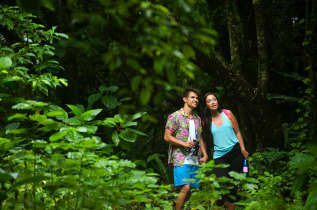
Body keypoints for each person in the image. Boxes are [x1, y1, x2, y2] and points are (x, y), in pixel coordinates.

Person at [202, 92, 249, 210]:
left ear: (217, 101)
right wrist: (205, 154)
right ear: (206, 105)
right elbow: (202, 139)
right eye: (209, 101)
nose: (212, 102)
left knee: (233, 186)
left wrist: (243, 149)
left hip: (235, 152)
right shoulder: (206, 121)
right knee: (221, 185)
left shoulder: (228, 113)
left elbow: (238, 132)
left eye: (214, 99)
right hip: (219, 156)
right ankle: (220, 204)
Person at [164, 88, 208, 210]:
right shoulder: (175, 116)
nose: (196, 100)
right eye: (193, 97)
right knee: (186, 187)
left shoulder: (198, 119)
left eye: (197, 98)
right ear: (185, 99)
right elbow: (167, 137)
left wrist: (205, 155)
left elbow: (200, 138)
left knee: (190, 190)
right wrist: (183, 144)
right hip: (180, 158)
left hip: (195, 158)